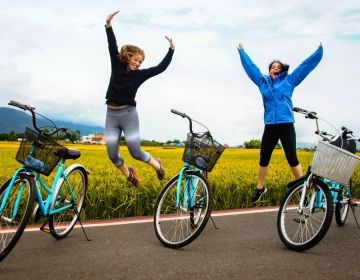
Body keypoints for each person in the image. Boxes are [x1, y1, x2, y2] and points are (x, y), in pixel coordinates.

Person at [237, 42, 323, 203]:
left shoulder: (289, 81)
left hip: (286, 125)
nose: (275, 68)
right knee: (264, 157)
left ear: (282, 70)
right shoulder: (262, 82)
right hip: (270, 125)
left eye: (278, 67)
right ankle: (260, 188)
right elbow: (251, 68)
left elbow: (305, 67)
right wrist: (242, 52)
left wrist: (318, 52)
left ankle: (303, 189)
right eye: (272, 67)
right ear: (269, 71)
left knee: (291, 156)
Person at [104, 11, 175, 187]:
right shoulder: (117, 64)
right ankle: (131, 177)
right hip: (111, 115)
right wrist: (108, 26)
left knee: (135, 152)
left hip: (128, 115)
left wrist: (171, 50)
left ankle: (158, 166)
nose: (137, 64)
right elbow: (112, 45)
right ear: (129, 57)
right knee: (112, 155)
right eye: (136, 60)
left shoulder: (140, 75)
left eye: (140, 62)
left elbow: (160, 68)